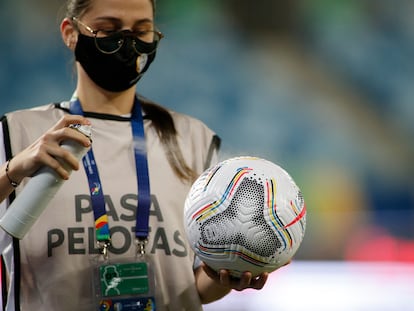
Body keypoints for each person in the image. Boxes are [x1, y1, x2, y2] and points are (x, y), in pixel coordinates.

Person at [0, 0, 270, 310]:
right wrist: (14, 169)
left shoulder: (194, 139)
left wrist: (222, 278)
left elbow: (191, 287)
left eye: (141, 30)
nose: (127, 43)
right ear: (70, 33)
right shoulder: (17, 132)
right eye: (109, 29)